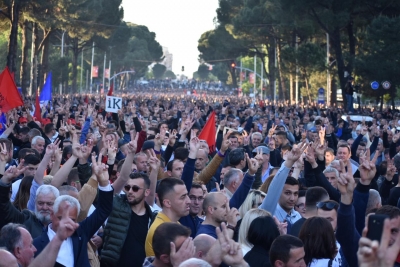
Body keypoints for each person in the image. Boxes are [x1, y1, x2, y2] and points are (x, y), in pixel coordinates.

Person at [33, 155, 114, 267]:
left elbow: (104, 209)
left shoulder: (81, 231)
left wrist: (104, 183)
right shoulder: (36, 244)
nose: (66, 223)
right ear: (52, 215)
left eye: (72, 219)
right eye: (61, 218)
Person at [145, 178, 191, 257]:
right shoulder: (160, 230)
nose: (189, 201)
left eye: (187, 195)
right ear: (167, 203)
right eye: (183, 197)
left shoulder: (175, 224)